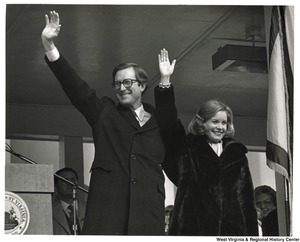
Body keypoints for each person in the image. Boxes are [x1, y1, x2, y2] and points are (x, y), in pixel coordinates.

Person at [41, 11, 166, 235]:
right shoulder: (105, 112)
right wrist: (49, 46)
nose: (121, 88)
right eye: (116, 84)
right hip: (109, 216)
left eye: (127, 82)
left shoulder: (159, 121)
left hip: (148, 217)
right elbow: (78, 90)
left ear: (142, 85)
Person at [154, 49, 258, 236]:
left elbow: (246, 202)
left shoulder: (237, 154)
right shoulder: (188, 149)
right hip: (192, 232)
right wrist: (165, 82)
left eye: (224, 122)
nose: (220, 127)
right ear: (202, 123)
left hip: (233, 234)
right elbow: (168, 124)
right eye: (215, 122)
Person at [52, 167, 86, 235]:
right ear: (55, 186)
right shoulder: (49, 210)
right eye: (65, 180)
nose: (70, 183)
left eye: (73, 180)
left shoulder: (88, 208)